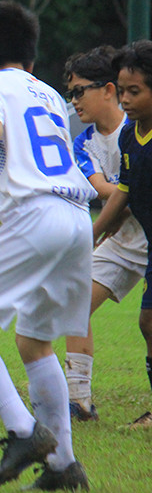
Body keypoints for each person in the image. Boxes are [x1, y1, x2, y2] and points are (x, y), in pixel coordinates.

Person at [0, 1, 93, 492]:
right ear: (30, 59)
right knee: (33, 340)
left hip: (37, 215)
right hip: (77, 218)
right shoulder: (47, 91)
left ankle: (23, 431)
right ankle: (63, 468)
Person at [64, 45, 147, 422]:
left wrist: (132, 192)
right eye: (70, 94)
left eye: (80, 91)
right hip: (122, 239)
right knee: (74, 303)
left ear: (108, 89)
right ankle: (78, 402)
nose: (74, 101)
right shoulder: (84, 143)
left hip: (143, 230)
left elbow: (129, 190)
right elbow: (105, 189)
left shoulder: (138, 126)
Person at [92, 39, 152, 430]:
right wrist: (93, 233)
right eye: (123, 90)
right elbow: (125, 191)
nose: (125, 99)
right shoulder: (131, 136)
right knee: (148, 324)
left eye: (136, 91)